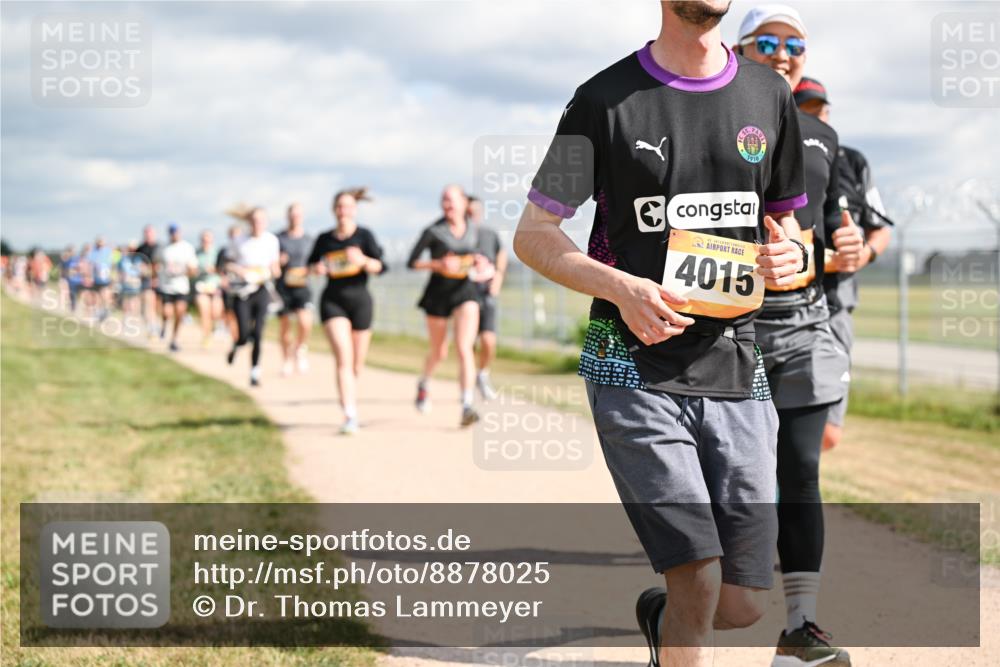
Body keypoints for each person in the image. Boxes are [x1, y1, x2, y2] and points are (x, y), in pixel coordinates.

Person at [513, 2, 808, 665]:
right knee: (697, 573)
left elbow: (789, 229)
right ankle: (679, 606)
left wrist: (791, 254)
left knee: (740, 602)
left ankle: (664, 616)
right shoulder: (604, 100)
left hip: (736, 365)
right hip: (630, 364)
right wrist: (624, 287)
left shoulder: (769, 95)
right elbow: (533, 236)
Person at [736, 7, 857, 666]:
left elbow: (834, 222)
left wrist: (847, 242)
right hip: (728, 330)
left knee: (801, 470)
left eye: (795, 45)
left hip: (805, 324)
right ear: (738, 49)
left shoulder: (821, 135)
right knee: (739, 481)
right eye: (769, 42)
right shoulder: (703, 124)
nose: (783, 53)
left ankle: (801, 627)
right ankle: (678, 606)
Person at [793, 77, 893, 451]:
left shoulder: (852, 161)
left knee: (826, 434)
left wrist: (863, 253)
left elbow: (879, 229)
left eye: (820, 110)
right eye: (805, 111)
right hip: (782, 305)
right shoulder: (774, 151)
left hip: (835, 305)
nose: (815, 118)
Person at [408, 185, 488, 427]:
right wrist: (439, 265)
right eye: (444, 200)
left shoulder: (474, 229)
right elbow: (412, 262)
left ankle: (466, 405)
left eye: (452, 200)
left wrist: (479, 261)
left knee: (464, 348)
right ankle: (424, 382)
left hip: (465, 291)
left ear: (464, 203)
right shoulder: (434, 231)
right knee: (439, 351)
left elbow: (479, 256)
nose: (448, 204)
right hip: (438, 294)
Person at [307, 188, 385, 434]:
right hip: (333, 301)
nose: (343, 211)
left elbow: (380, 266)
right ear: (334, 210)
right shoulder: (324, 239)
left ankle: (349, 396)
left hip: (361, 301)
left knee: (356, 365)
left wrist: (362, 260)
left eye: (348, 206)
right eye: (339, 206)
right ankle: (349, 414)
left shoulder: (364, 236)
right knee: (343, 357)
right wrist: (317, 269)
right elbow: (310, 266)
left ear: (355, 210)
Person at [226, 207, 281, 387]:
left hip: (262, 289)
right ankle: (237, 344)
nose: (257, 224)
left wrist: (274, 270)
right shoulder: (239, 241)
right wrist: (240, 270)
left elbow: (275, 265)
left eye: (261, 220)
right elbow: (228, 263)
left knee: (258, 332)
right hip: (242, 291)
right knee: (243, 333)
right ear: (249, 222)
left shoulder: (272, 241)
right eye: (254, 220)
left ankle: (255, 371)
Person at [467, 195, 507, 400]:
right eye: (468, 212)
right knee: (468, 342)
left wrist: (498, 276)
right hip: (466, 295)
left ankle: (482, 375)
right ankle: (468, 378)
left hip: (486, 293)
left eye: (474, 212)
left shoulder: (489, 233)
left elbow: (502, 253)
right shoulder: (458, 235)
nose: (471, 216)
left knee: (489, 340)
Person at [277, 203, 315, 376]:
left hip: (302, 284)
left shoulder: (309, 240)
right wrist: (279, 261)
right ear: (287, 217)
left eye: (298, 215)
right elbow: (271, 263)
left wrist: (313, 270)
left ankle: (300, 347)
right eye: (292, 215)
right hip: (283, 286)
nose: (295, 218)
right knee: (285, 325)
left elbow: (315, 263)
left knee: (305, 321)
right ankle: (286, 360)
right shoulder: (279, 238)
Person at [154, 223, 198, 352]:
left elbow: (193, 270)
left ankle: (174, 339)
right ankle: (164, 325)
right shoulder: (163, 248)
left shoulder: (187, 248)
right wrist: (157, 273)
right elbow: (155, 263)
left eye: (176, 232)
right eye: (172, 232)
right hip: (166, 286)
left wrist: (184, 271)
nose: (174, 235)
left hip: (181, 287)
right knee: (167, 312)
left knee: (179, 312)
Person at [193, 230, 224, 348]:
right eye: (204, 239)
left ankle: (213, 328)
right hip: (201, 287)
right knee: (204, 312)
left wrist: (214, 270)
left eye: (208, 238)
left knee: (215, 313)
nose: (206, 241)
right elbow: (192, 269)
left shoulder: (217, 253)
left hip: (215, 287)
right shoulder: (196, 253)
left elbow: (222, 269)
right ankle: (206, 336)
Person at [217, 223, 244, 344]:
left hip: (244, 286)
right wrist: (223, 279)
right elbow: (220, 268)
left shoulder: (245, 249)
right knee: (230, 311)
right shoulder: (224, 250)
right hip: (229, 286)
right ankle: (234, 335)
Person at [135, 225, 161, 338]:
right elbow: (136, 264)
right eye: (147, 233)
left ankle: (156, 326)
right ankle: (152, 327)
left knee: (157, 306)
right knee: (147, 304)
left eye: (150, 233)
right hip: (145, 281)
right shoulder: (140, 248)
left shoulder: (159, 248)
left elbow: (160, 265)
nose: (148, 235)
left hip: (159, 281)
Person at [87, 236, 114, 320]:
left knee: (105, 295)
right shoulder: (93, 252)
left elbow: (112, 264)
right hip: (96, 278)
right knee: (96, 296)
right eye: (99, 242)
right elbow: (90, 265)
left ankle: (106, 310)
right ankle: (98, 313)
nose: (100, 244)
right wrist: (90, 276)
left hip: (105, 278)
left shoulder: (108, 251)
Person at [118, 241, 144, 317]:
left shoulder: (139, 259)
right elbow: (120, 271)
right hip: (126, 284)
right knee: (126, 301)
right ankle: (127, 317)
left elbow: (141, 270)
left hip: (136, 283)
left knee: (135, 301)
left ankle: (135, 317)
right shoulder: (123, 259)